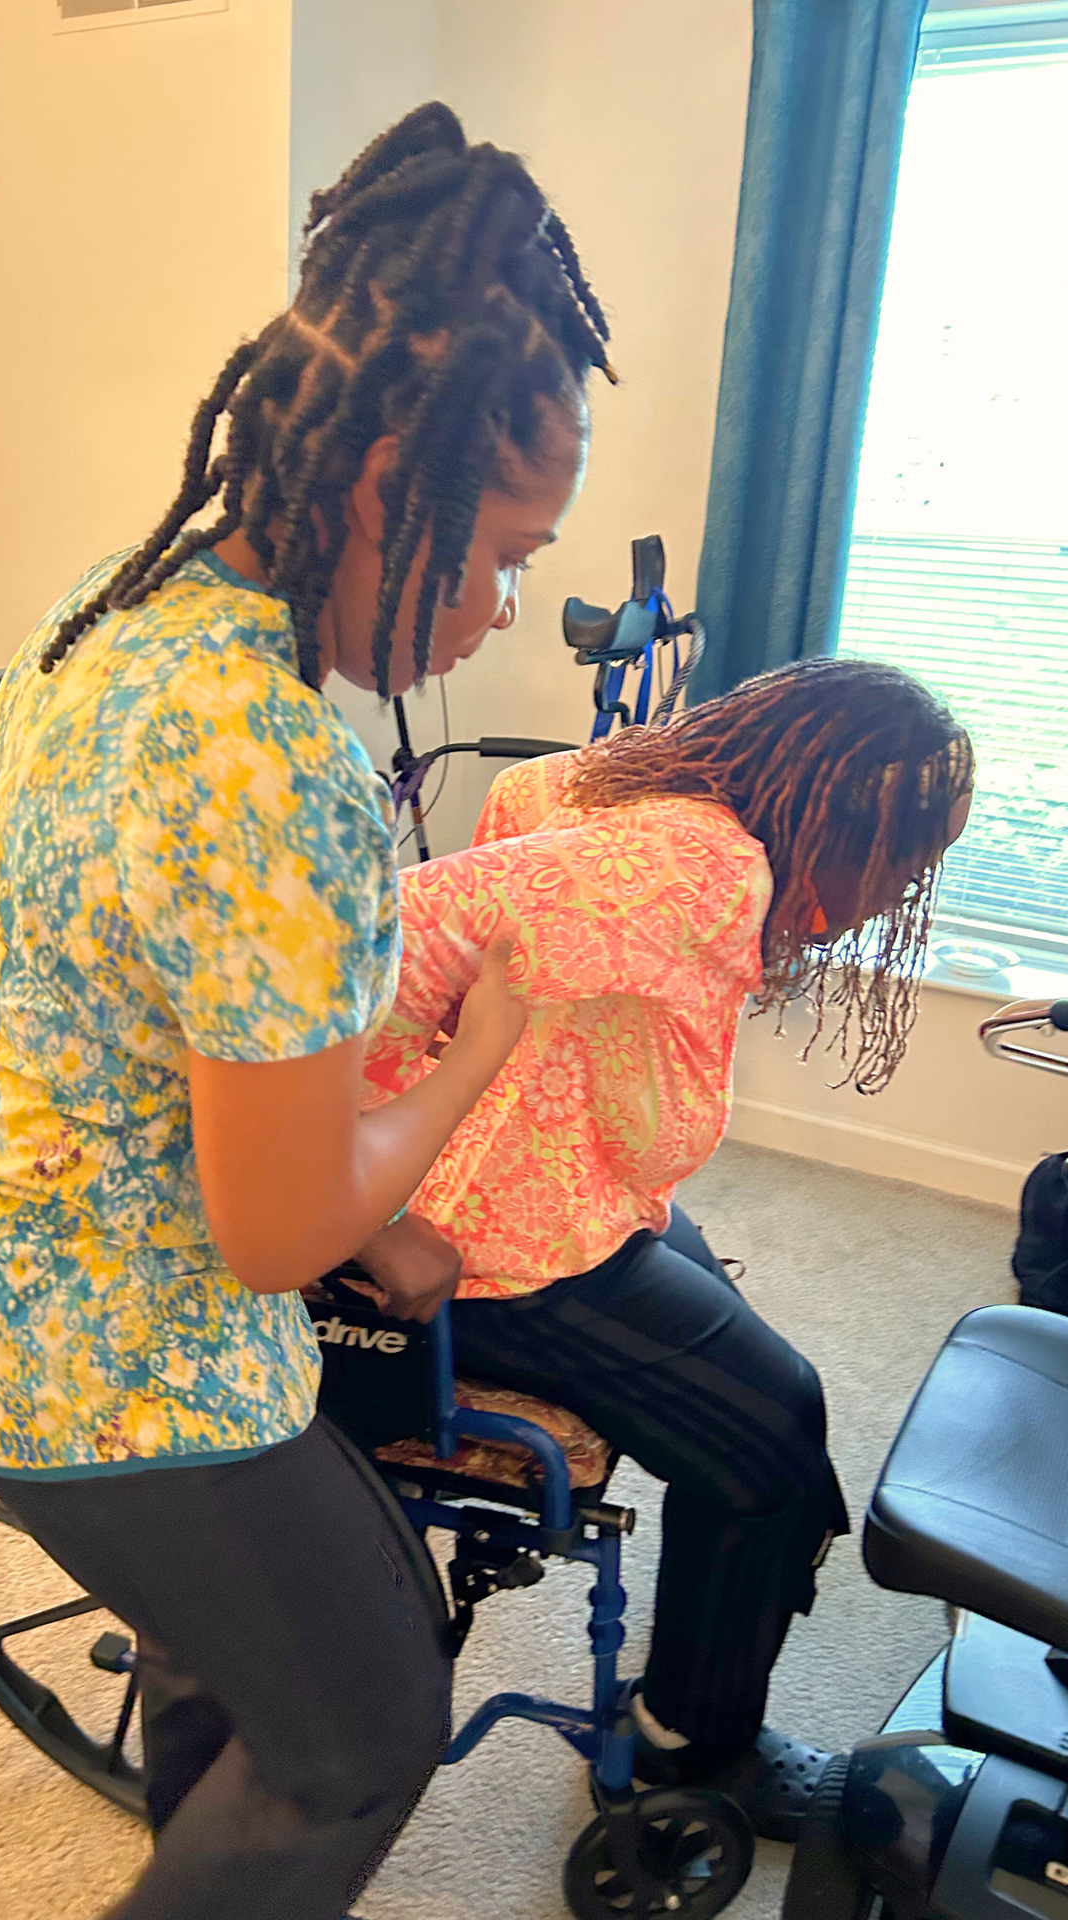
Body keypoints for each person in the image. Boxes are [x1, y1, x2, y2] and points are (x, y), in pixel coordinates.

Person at [0, 102, 614, 1920]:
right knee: (364, 1734)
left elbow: (165, 1010)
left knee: (238, 1658)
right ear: (385, 486)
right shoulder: (278, 759)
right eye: (503, 550)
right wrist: (473, 1064)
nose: (507, 607)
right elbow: (281, 1232)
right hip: (96, 1341)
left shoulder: (105, 617)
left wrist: (373, 1172)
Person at [356, 657, 976, 1841]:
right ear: (833, 817)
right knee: (774, 1435)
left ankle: (692, 1674)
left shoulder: (626, 783)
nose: (900, 890)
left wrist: (499, 1050)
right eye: (902, 859)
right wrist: (364, 1197)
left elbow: (521, 812)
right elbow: (397, 932)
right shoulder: (703, 866)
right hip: (500, 1240)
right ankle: (691, 1741)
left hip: (555, 1186)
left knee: (738, 1352)